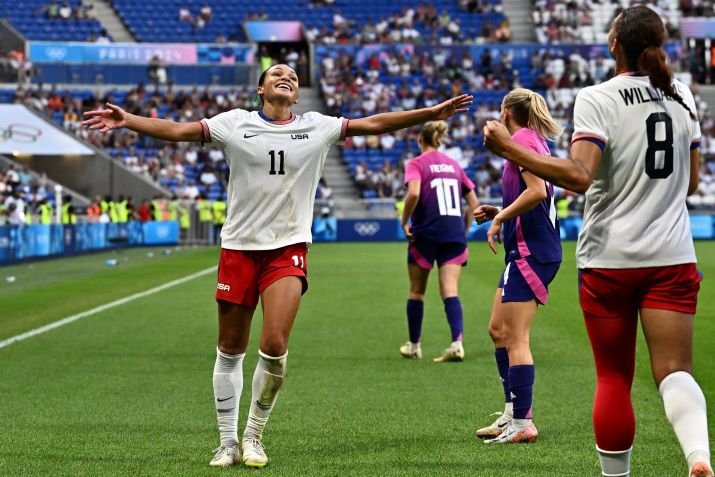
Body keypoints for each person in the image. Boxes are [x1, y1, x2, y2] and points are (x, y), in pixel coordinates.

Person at [83, 63, 472, 470]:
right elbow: (178, 130)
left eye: (293, 76)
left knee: (273, 345)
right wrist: (129, 121)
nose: (286, 76)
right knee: (230, 349)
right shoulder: (235, 124)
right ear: (260, 88)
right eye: (277, 74)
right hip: (238, 248)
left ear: (298, 93)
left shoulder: (318, 127)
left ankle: (254, 435)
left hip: (286, 250)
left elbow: (375, 123)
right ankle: (227, 441)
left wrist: (430, 113)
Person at [482, 7, 711, 477]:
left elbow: (581, 176)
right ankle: (698, 456)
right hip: (671, 254)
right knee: (675, 371)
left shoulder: (598, 97)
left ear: (614, 45)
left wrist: (508, 148)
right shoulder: (683, 94)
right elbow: (692, 183)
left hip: (610, 258)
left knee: (613, 377)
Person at [472, 88, 562, 444]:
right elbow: (533, 195)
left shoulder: (523, 138)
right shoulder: (531, 140)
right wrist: (501, 211)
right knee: (498, 329)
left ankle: (524, 422)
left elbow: (537, 192)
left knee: (515, 336)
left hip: (532, 251)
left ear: (507, 111)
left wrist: (500, 219)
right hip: (527, 248)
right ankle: (512, 413)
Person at [398, 121, 479, 363]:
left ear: (419, 140)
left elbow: (413, 193)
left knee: (416, 291)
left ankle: (414, 346)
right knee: (450, 291)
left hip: (426, 233)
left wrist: (404, 221)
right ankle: (456, 343)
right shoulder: (455, 165)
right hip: (453, 234)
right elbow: (474, 203)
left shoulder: (416, 163)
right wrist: (463, 228)